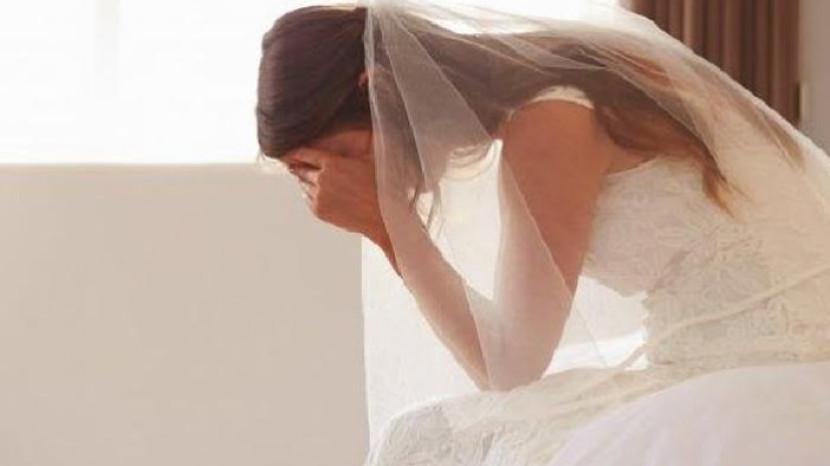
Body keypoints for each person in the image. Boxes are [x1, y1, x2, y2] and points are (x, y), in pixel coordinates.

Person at [255, 1, 830, 464]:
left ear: (379, 91)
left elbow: (510, 369)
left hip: (759, 356)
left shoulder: (551, 120)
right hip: (732, 348)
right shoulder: (559, 85)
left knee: (425, 441)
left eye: (339, 156)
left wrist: (389, 226)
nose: (340, 181)